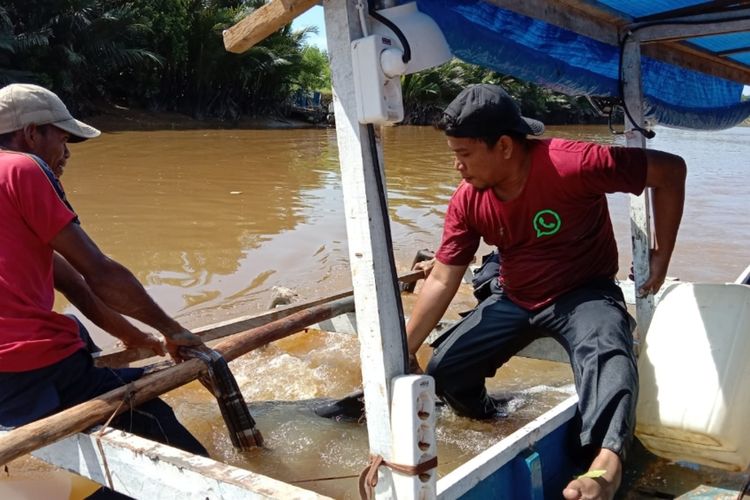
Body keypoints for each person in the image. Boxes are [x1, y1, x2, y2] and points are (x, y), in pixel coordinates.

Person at [403, 84, 686, 500]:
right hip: (515, 295)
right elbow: (444, 279)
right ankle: (490, 416)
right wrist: (403, 350)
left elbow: (670, 171)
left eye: (463, 155)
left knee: (608, 349)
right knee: (444, 368)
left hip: (583, 292)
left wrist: (661, 254)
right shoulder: (467, 201)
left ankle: (606, 466)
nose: (457, 167)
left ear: (503, 146)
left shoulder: (573, 163)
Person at [0, 84, 208, 463]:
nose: (65, 155)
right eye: (62, 140)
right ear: (31, 133)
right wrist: (173, 330)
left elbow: (71, 283)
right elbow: (98, 272)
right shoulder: (24, 168)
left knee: (74, 331)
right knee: (163, 429)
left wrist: (136, 337)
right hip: (23, 370)